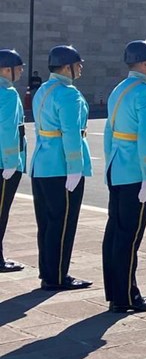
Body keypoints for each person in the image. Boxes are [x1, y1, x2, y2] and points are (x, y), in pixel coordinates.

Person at [102, 40, 146, 314]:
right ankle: (128, 296)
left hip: (118, 168)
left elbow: (109, 133)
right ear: (145, 63)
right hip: (136, 172)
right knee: (130, 236)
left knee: (116, 233)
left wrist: (110, 164)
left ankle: (116, 292)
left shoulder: (120, 89)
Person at [30, 45, 92, 291]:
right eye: (78, 64)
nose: (80, 68)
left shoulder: (43, 90)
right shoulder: (68, 94)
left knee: (46, 222)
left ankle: (48, 271)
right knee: (63, 222)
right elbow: (71, 132)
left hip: (42, 163)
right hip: (61, 166)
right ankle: (57, 276)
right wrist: (75, 167)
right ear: (67, 67)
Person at [0, 49, 27, 273]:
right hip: (3, 162)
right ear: (6, 70)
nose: (20, 72)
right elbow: (8, 130)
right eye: (18, 68)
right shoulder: (7, 94)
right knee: (1, 211)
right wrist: (11, 161)